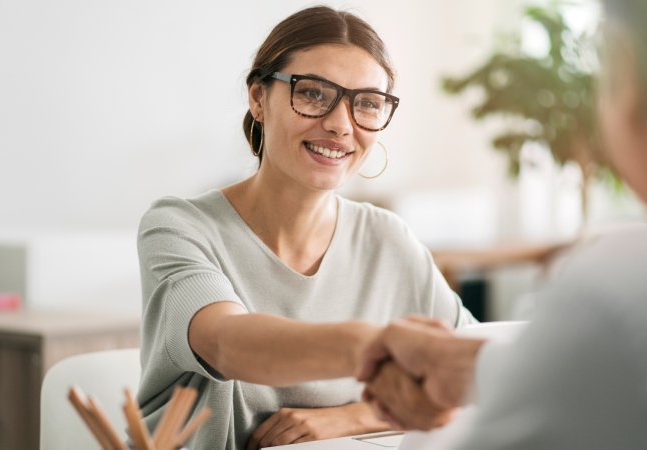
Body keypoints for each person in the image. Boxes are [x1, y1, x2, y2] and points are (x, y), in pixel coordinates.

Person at [358, 0, 647, 448]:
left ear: (625, 75)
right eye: (313, 94)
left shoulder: (625, 294)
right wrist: (480, 367)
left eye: (367, 103)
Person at [135, 6, 476, 450]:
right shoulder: (180, 226)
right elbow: (226, 343)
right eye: (314, 94)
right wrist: (374, 347)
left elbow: (468, 375)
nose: (340, 125)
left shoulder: (389, 239)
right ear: (258, 98)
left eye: (367, 104)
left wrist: (353, 417)